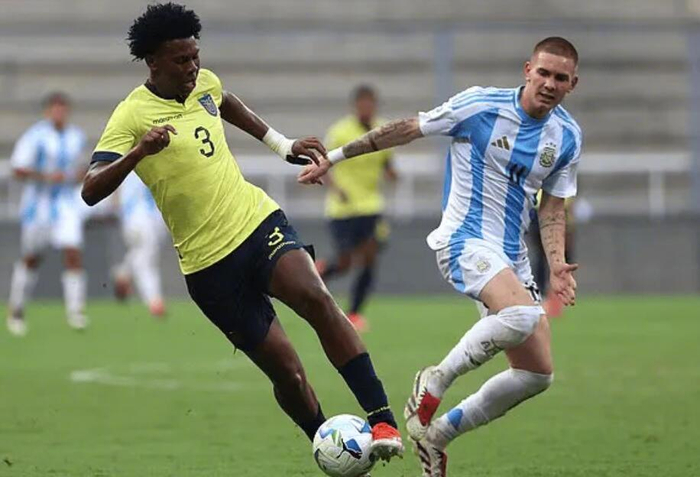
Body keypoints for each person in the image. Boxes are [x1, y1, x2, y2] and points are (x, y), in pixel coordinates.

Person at [81, 2, 402, 461]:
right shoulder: (131, 115)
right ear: (153, 62)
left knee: (317, 298)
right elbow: (90, 190)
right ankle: (328, 445)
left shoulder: (204, 84)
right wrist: (137, 154)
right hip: (208, 267)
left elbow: (226, 101)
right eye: (181, 60)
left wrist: (282, 145)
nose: (193, 67)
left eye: (195, 56)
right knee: (287, 373)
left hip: (256, 222)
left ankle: (382, 420)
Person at [299, 37, 582, 476]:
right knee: (523, 316)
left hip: (511, 258)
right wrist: (334, 157)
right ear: (527, 70)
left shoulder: (567, 136)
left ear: (572, 84)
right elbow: (406, 128)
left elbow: (552, 208)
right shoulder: (480, 106)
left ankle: (437, 437)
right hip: (463, 240)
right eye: (543, 73)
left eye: (560, 78)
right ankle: (435, 380)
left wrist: (558, 264)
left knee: (536, 374)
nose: (549, 83)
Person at [316, 85, 398, 331]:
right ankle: (319, 272)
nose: (366, 108)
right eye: (362, 104)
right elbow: (323, 164)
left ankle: (354, 313)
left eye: (370, 104)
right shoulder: (340, 132)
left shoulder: (383, 130)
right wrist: (335, 188)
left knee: (369, 258)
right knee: (345, 263)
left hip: (371, 206)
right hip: (343, 208)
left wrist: (392, 174)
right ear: (355, 106)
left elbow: (387, 164)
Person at [7, 92, 89, 336]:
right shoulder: (35, 136)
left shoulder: (76, 137)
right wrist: (45, 176)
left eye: (62, 109)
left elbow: (84, 167)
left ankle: (75, 311)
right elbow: (17, 169)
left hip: (65, 204)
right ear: (47, 112)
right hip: (38, 206)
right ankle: (17, 308)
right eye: (55, 109)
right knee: (32, 257)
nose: (59, 113)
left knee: (73, 251)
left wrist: (79, 176)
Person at [112, 172, 168, 317]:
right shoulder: (142, 163)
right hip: (141, 218)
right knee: (145, 260)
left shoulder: (122, 165)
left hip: (137, 218)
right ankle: (154, 301)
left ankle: (123, 274)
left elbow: (115, 197)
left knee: (140, 254)